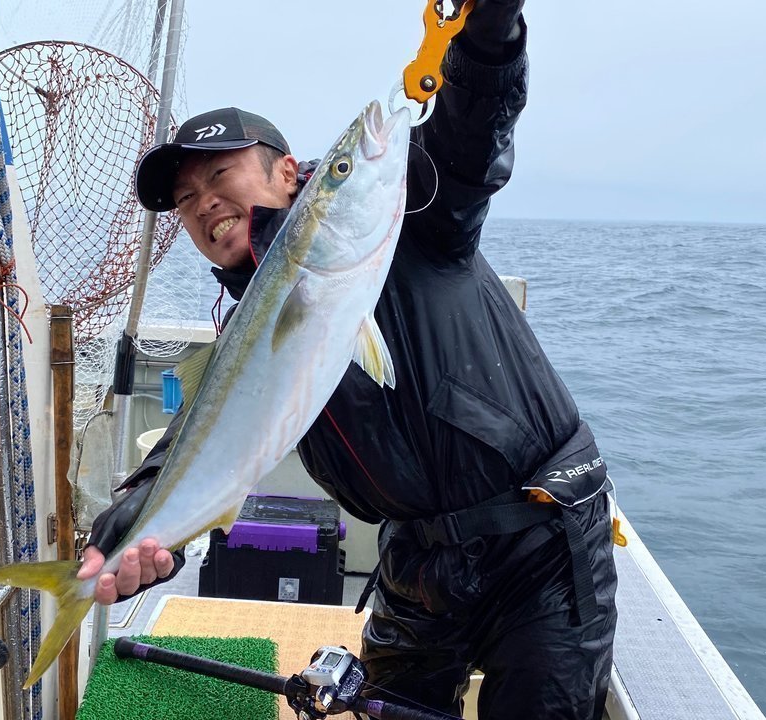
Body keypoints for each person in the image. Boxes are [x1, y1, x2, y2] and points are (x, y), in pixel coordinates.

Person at [79, 2, 618, 717]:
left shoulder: (417, 218)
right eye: (185, 199)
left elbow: (472, 125)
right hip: (418, 564)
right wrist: (135, 528)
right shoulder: (250, 328)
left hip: (539, 544)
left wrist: (489, 32)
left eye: (221, 175)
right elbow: (210, 430)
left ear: (290, 175)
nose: (205, 202)